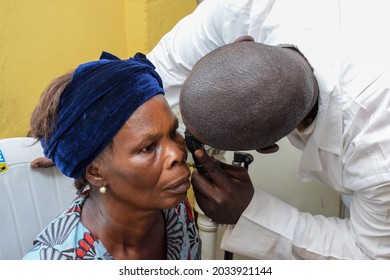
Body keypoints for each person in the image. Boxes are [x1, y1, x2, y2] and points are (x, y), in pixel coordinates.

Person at [145, 0, 390, 259]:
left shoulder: (378, 154)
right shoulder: (246, 7)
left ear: (267, 147)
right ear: (242, 41)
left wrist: (250, 212)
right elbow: (153, 76)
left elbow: (371, 257)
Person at [23, 51, 201, 260]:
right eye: (148, 148)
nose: (177, 153)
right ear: (95, 172)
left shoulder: (174, 209)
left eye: (173, 133)